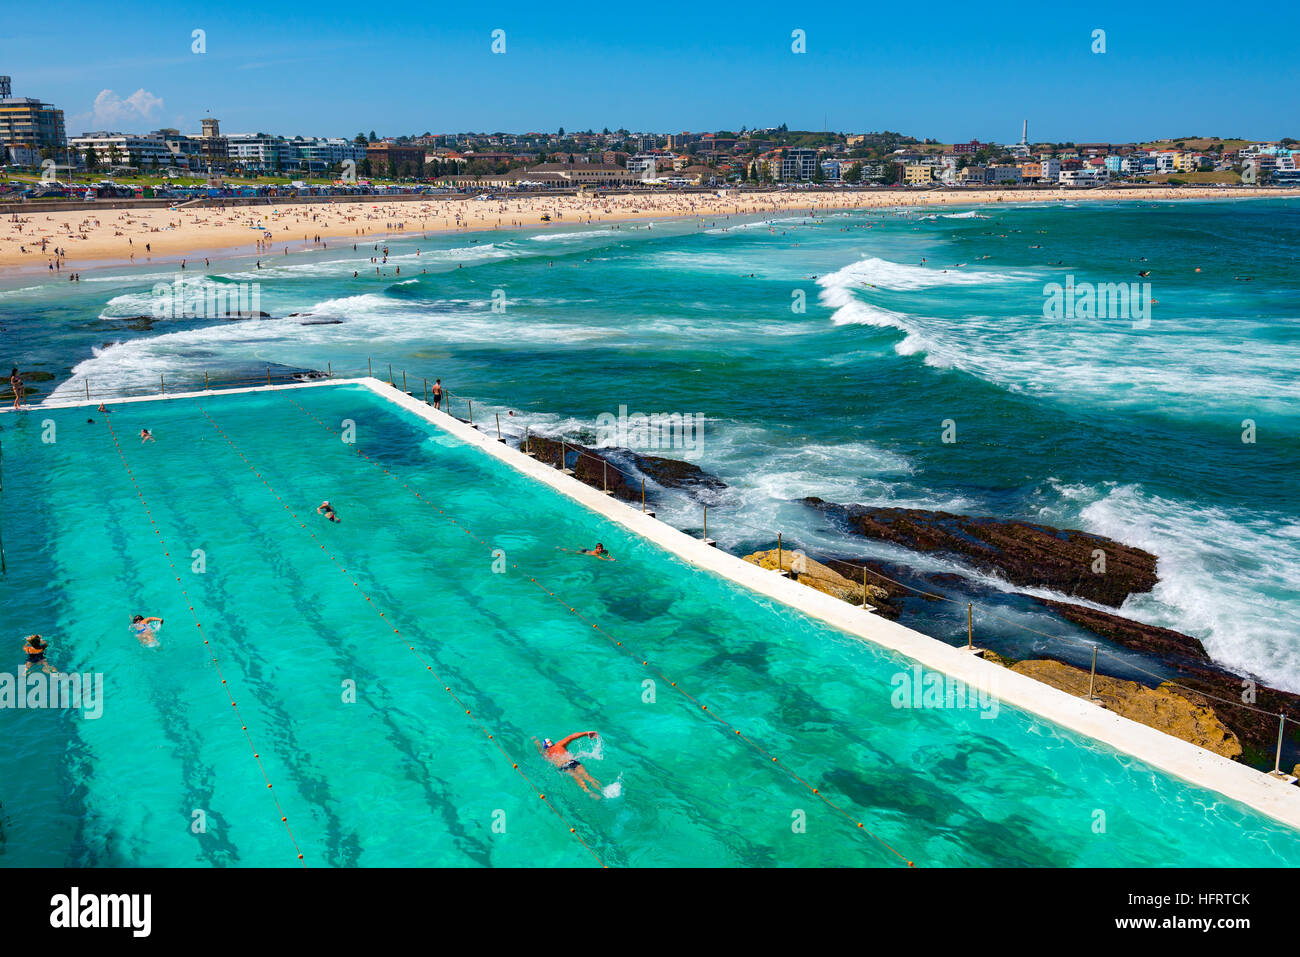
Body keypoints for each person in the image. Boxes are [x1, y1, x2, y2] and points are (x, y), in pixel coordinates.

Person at [538, 731, 603, 798]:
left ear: (545, 748)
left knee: (578, 779)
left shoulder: (547, 754)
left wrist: (538, 745)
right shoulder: (559, 744)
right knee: (588, 777)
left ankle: (589, 792)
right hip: (571, 762)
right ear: (552, 743)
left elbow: (541, 754)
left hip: (564, 766)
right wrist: (586, 733)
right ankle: (603, 790)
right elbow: (572, 737)